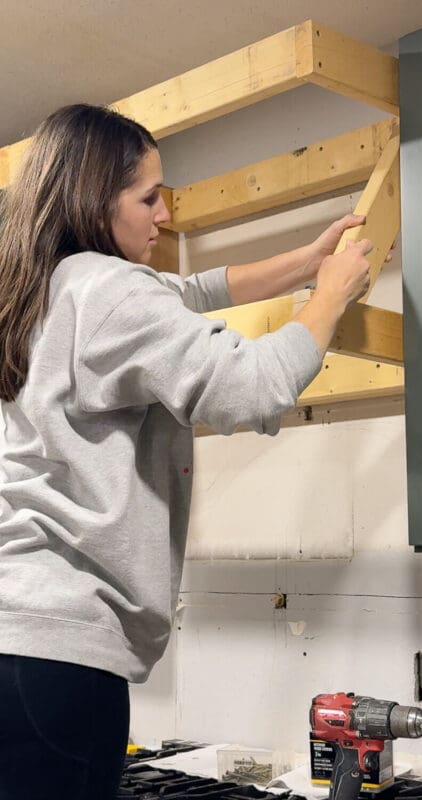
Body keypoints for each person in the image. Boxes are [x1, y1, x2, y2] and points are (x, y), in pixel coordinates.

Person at [0, 103, 373, 799]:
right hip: (60, 664)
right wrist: (327, 295)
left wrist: (303, 260)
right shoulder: (110, 292)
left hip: (15, 637)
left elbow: (190, 291)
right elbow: (253, 388)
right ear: (92, 200)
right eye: (147, 197)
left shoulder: (38, 291)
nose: (163, 214)